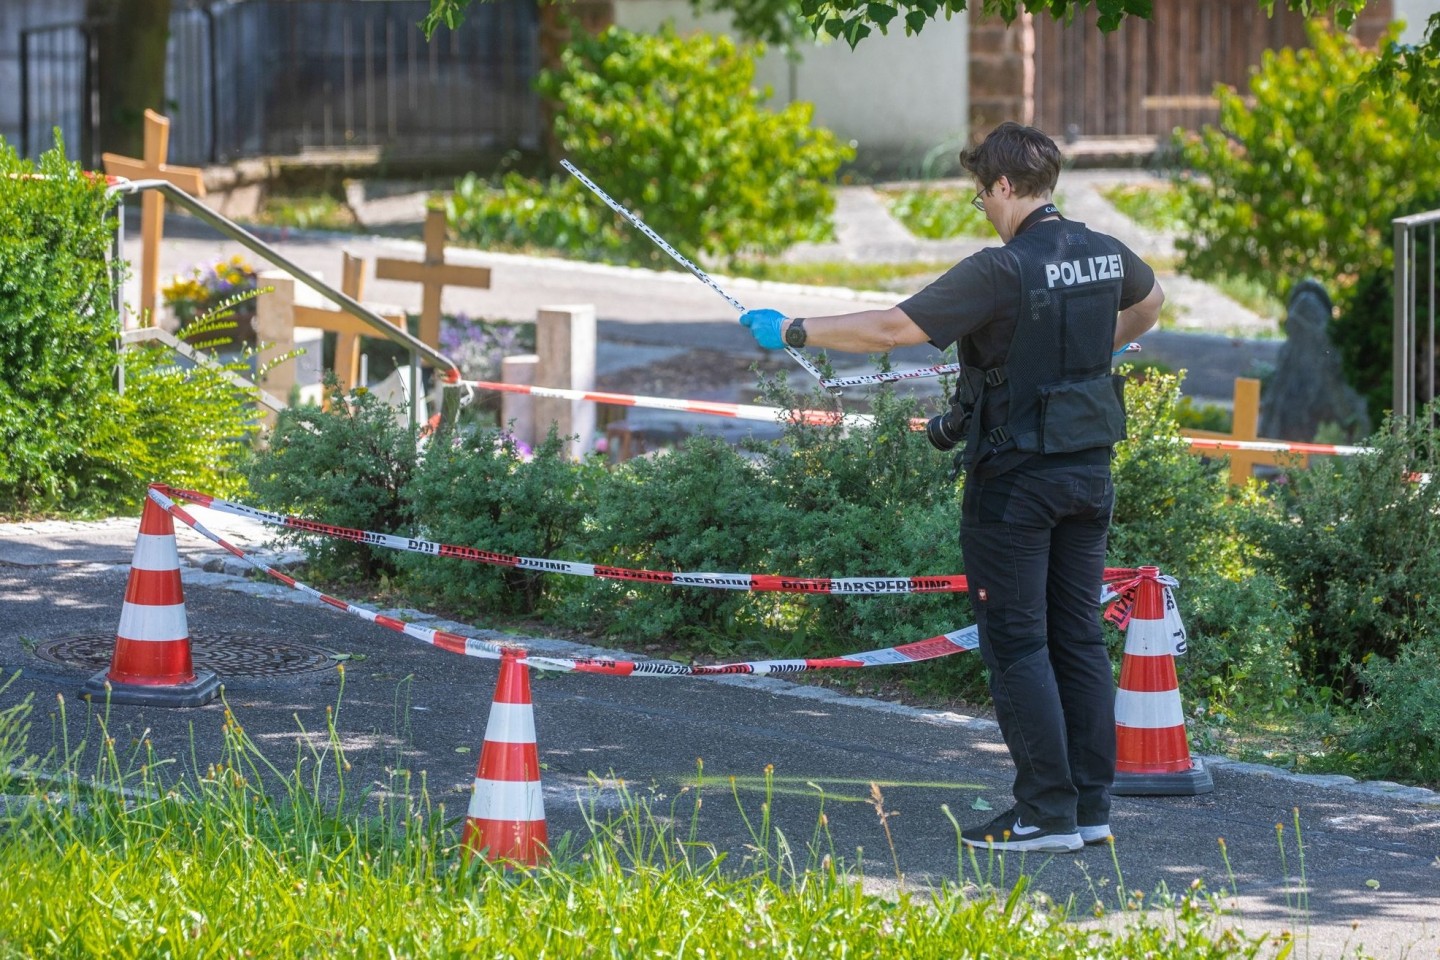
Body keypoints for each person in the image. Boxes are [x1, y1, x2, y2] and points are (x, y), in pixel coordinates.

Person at [739, 122, 1165, 853]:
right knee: (1078, 640)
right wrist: (1087, 348)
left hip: (1016, 483)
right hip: (1090, 471)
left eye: (979, 193)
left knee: (1018, 644)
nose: (982, 206)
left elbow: (890, 327)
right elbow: (1151, 304)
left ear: (1002, 185)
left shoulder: (1001, 270)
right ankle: (1088, 808)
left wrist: (795, 330)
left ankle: (1043, 815)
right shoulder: (1102, 251)